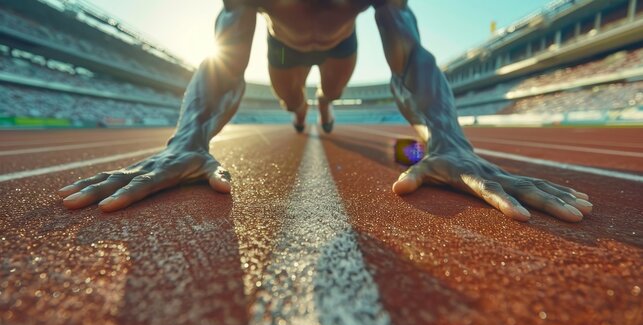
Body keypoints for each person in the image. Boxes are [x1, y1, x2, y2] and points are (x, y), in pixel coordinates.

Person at [58, 0, 593, 222]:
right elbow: (224, 64)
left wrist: (450, 143)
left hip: (340, 48)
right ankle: (300, 111)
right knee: (294, 102)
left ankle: (327, 107)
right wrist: (185, 141)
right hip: (283, 50)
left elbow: (410, 61)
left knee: (328, 99)